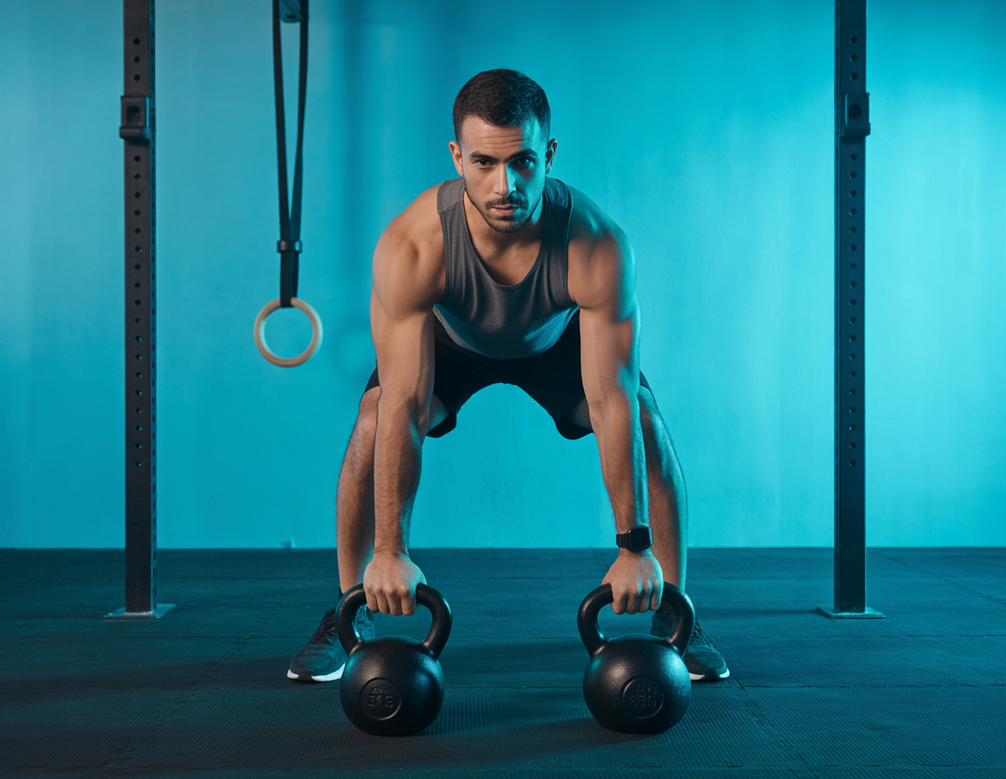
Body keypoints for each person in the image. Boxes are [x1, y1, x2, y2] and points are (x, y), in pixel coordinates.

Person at [288, 69, 728, 683]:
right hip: (452, 344)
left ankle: (675, 612)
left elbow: (610, 400)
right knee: (373, 418)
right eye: (484, 163)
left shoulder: (596, 246)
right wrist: (390, 549)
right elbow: (407, 406)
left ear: (548, 153)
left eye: (522, 161)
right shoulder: (413, 245)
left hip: (555, 342)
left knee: (647, 422)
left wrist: (632, 546)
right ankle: (349, 612)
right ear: (456, 158)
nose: (505, 185)